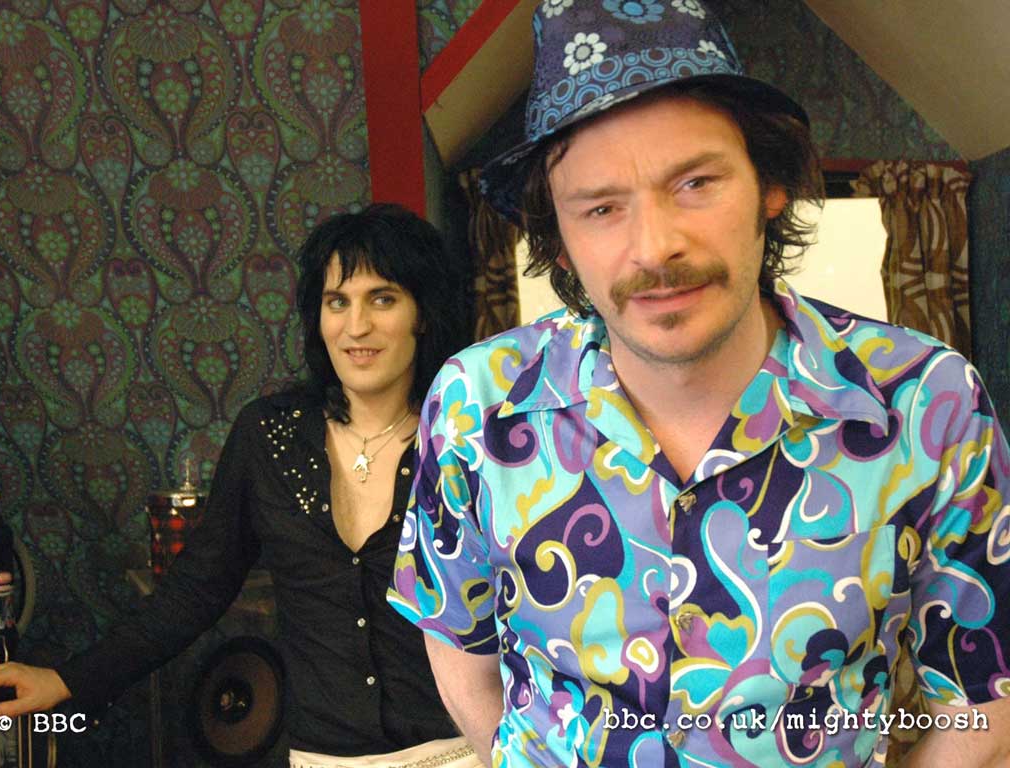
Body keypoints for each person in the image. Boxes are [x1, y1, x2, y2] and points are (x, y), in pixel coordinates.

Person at [387, 2, 1010, 767]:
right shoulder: (473, 406)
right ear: (560, 239)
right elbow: (464, 663)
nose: (656, 247)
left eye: (695, 183)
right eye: (601, 207)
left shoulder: (929, 402)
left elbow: (984, 707)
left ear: (769, 186)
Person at [0, 203, 483, 768]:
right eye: (337, 302)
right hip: (322, 760)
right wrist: (68, 681)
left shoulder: (467, 437)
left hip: (460, 753)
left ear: (423, 314)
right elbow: (197, 588)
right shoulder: (268, 436)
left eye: (383, 299)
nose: (356, 326)